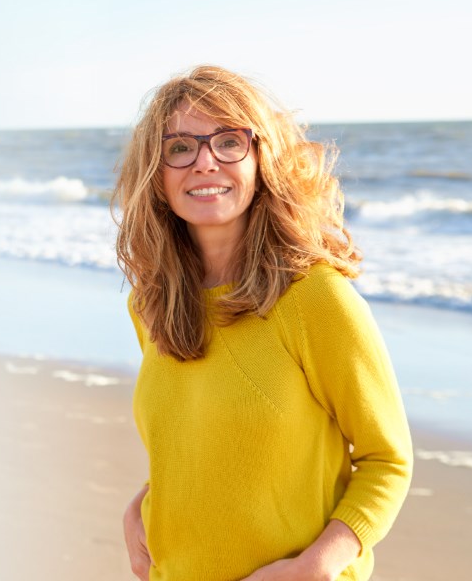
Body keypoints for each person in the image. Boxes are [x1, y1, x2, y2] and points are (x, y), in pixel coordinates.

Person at [111, 65, 412, 581]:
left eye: (229, 142)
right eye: (180, 147)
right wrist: (140, 504)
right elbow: (197, 439)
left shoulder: (314, 297)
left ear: (262, 160)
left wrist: (316, 567)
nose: (204, 162)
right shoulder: (152, 303)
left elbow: (388, 461)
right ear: (155, 175)